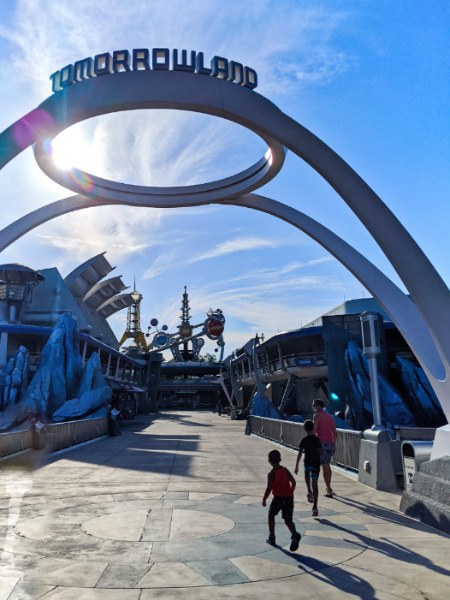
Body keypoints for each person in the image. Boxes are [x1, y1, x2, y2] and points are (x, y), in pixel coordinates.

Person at [262, 449, 301, 551]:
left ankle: (272, 536)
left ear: (269, 461)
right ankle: (295, 534)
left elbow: (269, 489)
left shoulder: (271, 474)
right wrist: (290, 492)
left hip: (278, 498)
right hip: (289, 498)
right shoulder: (285, 469)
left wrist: (264, 499)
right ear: (280, 459)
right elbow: (293, 482)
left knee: (271, 515)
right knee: (288, 520)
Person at [294, 420, 321, 516]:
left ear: (305, 429)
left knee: (307, 476)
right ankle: (315, 507)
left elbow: (300, 453)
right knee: (315, 483)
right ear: (313, 428)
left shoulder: (304, 440)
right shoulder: (317, 440)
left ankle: (309, 490)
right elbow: (320, 452)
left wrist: (296, 465)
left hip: (307, 463)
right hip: (316, 464)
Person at [312, 399, 337, 497]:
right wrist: (334, 444)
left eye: (314, 405)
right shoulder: (330, 417)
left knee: (324, 467)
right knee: (327, 466)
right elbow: (334, 432)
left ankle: (329, 490)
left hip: (321, 444)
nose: (313, 407)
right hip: (330, 444)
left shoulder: (317, 416)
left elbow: (314, 430)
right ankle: (329, 488)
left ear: (318, 406)